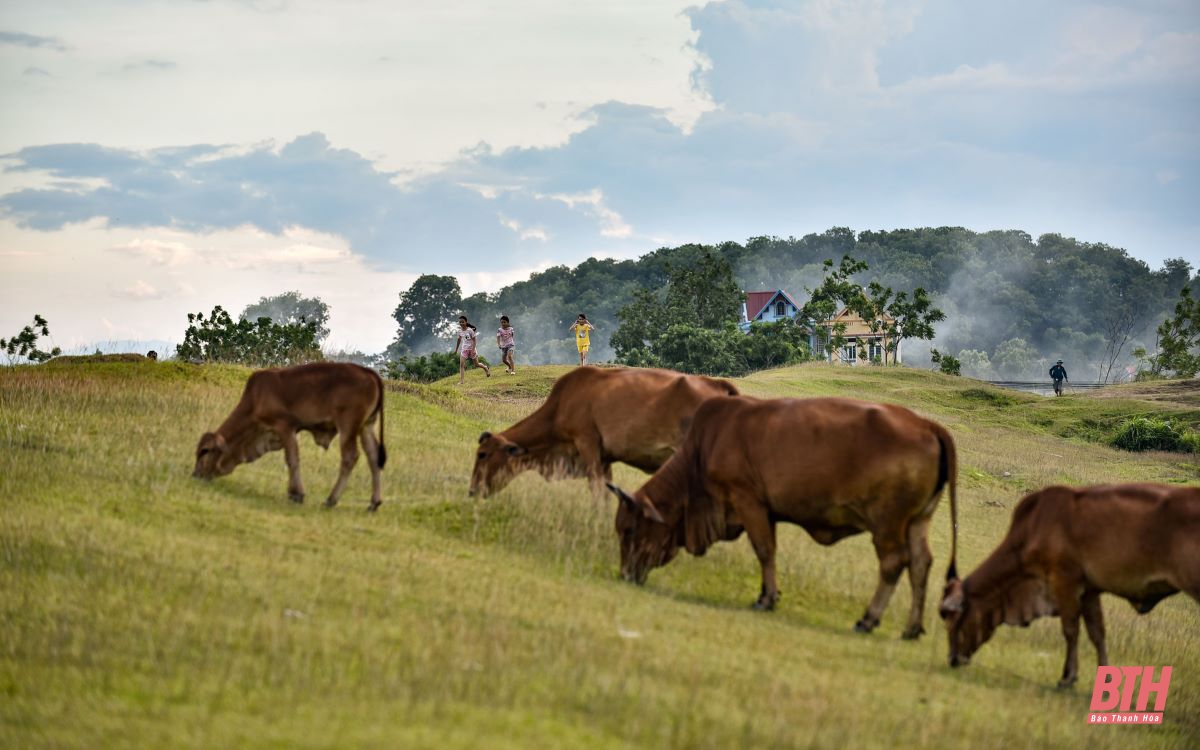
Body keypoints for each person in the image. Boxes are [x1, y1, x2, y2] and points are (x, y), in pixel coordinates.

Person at [454, 315, 490, 384]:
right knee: (461, 365)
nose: (461, 323)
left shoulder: (470, 330)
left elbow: (474, 340)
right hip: (464, 349)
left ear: (466, 322)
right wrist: (456, 350)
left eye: (463, 322)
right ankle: (462, 381)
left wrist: (473, 349)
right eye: (460, 322)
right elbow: (459, 340)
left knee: (476, 364)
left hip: (472, 349)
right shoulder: (459, 331)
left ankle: (485, 368)